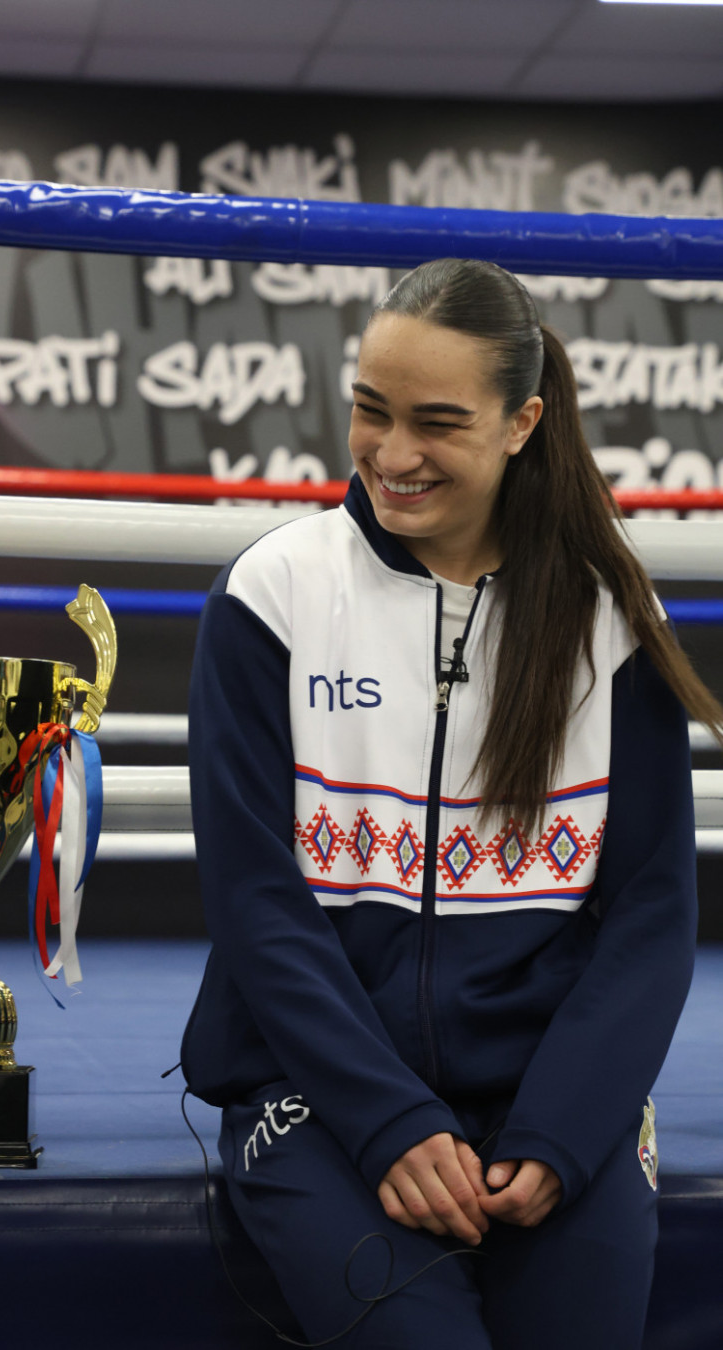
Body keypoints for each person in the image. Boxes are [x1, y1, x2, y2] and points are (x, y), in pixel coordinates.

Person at [179, 258, 721, 1349]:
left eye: (437, 422)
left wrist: (564, 1128)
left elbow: (653, 914)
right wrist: (385, 1119)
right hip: (314, 1099)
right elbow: (256, 902)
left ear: (522, 423)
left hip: (546, 1102)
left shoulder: (609, 617)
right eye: (370, 410)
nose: (392, 453)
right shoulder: (272, 595)